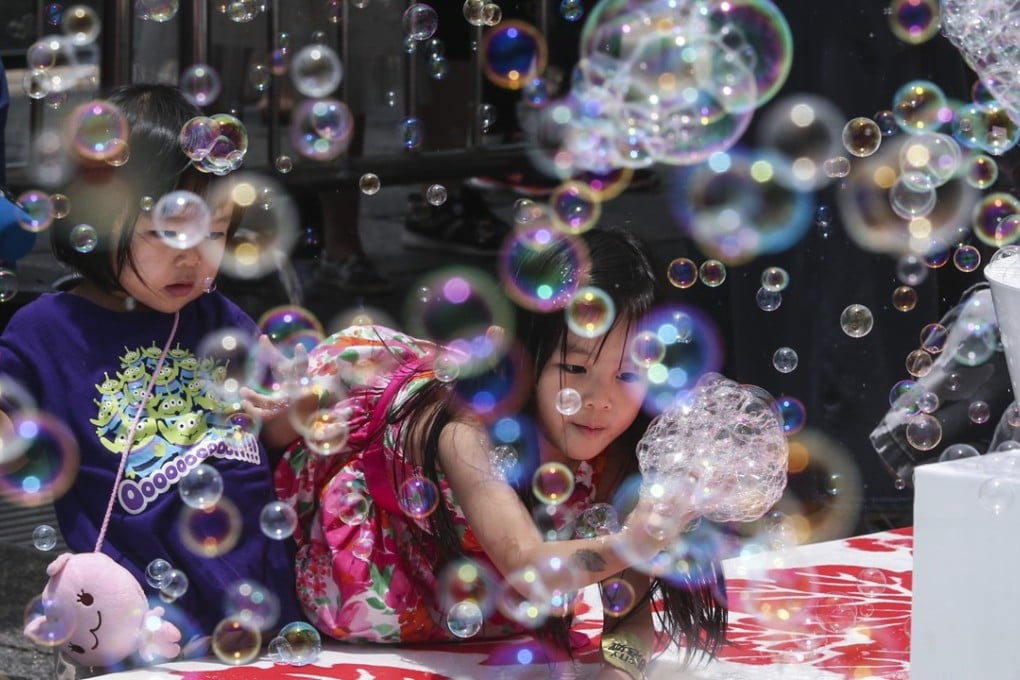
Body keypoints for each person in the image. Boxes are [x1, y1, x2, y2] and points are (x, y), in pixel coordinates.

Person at [275, 225, 728, 675]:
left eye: (627, 375)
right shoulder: (467, 432)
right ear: (523, 357)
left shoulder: (622, 451)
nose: (600, 399)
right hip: (389, 572)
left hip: (488, 595)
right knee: (279, 418)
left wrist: (620, 673)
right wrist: (636, 541)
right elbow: (525, 563)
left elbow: (628, 613)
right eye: (574, 368)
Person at [0, 83, 301, 662]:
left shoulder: (219, 318)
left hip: (260, 607)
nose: (194, 256)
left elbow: (271, 437)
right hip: (146, 626)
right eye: (169, 233)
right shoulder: (49, 332)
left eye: (215, 233)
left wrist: (291, 410)